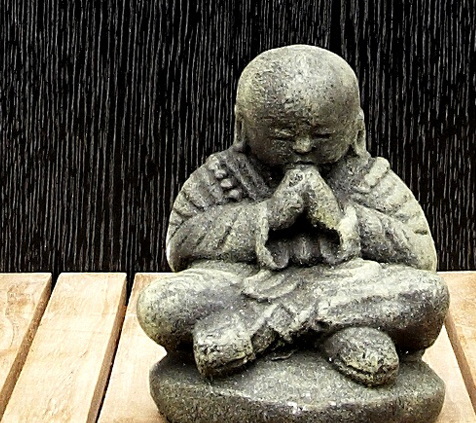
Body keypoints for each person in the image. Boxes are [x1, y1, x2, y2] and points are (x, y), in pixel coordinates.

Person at [137, 45, 448, 388]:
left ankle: (265, 327)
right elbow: (180, 244)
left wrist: (343, 219)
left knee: (428, 295)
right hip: (245, 288)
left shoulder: (368, 177)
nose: (302, 146)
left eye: (322, 136)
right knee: (161, 304)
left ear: (356, 129)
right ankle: (338, 331)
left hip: (344, 289)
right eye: (282, 136)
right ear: (241, 127)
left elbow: (421, 254)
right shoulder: (225, 174)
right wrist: (266, 216)